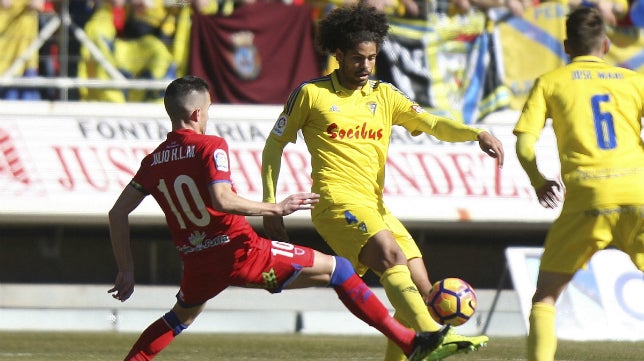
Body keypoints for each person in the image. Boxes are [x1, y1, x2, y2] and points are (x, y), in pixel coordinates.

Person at [107, 75, 451, 361]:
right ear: (197, 113)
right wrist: (276, 207)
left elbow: (118, 212)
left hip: (197, 260)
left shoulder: (153, 161)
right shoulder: (209, 146)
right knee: (341, 271)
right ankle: (410, 343)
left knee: (179, 318)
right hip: (242, 250)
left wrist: (126, 267)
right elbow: (222, 199)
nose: (209, 115)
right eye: (209, 109)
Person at [260, 4, 503, 361]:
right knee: (391, 256)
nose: (366, 67)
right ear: (339, 55)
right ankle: (433, 335)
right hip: (334, 202)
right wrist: (270, 204)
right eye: (358, 59)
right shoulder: (312, 94)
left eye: (372, 58)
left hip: (374, 206)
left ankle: (413, 343)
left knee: (423, 291)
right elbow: (273, 145)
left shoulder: (385, 95)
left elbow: (433, 123)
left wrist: (475, 133)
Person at [513, 7, 644, 361]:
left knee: (545, 299)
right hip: (638, 192)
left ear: (567, 45)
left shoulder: (551, 82)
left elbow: (524, 145)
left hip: (587, 195)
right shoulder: (634, 81)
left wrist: (539, 180)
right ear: (606, 45)